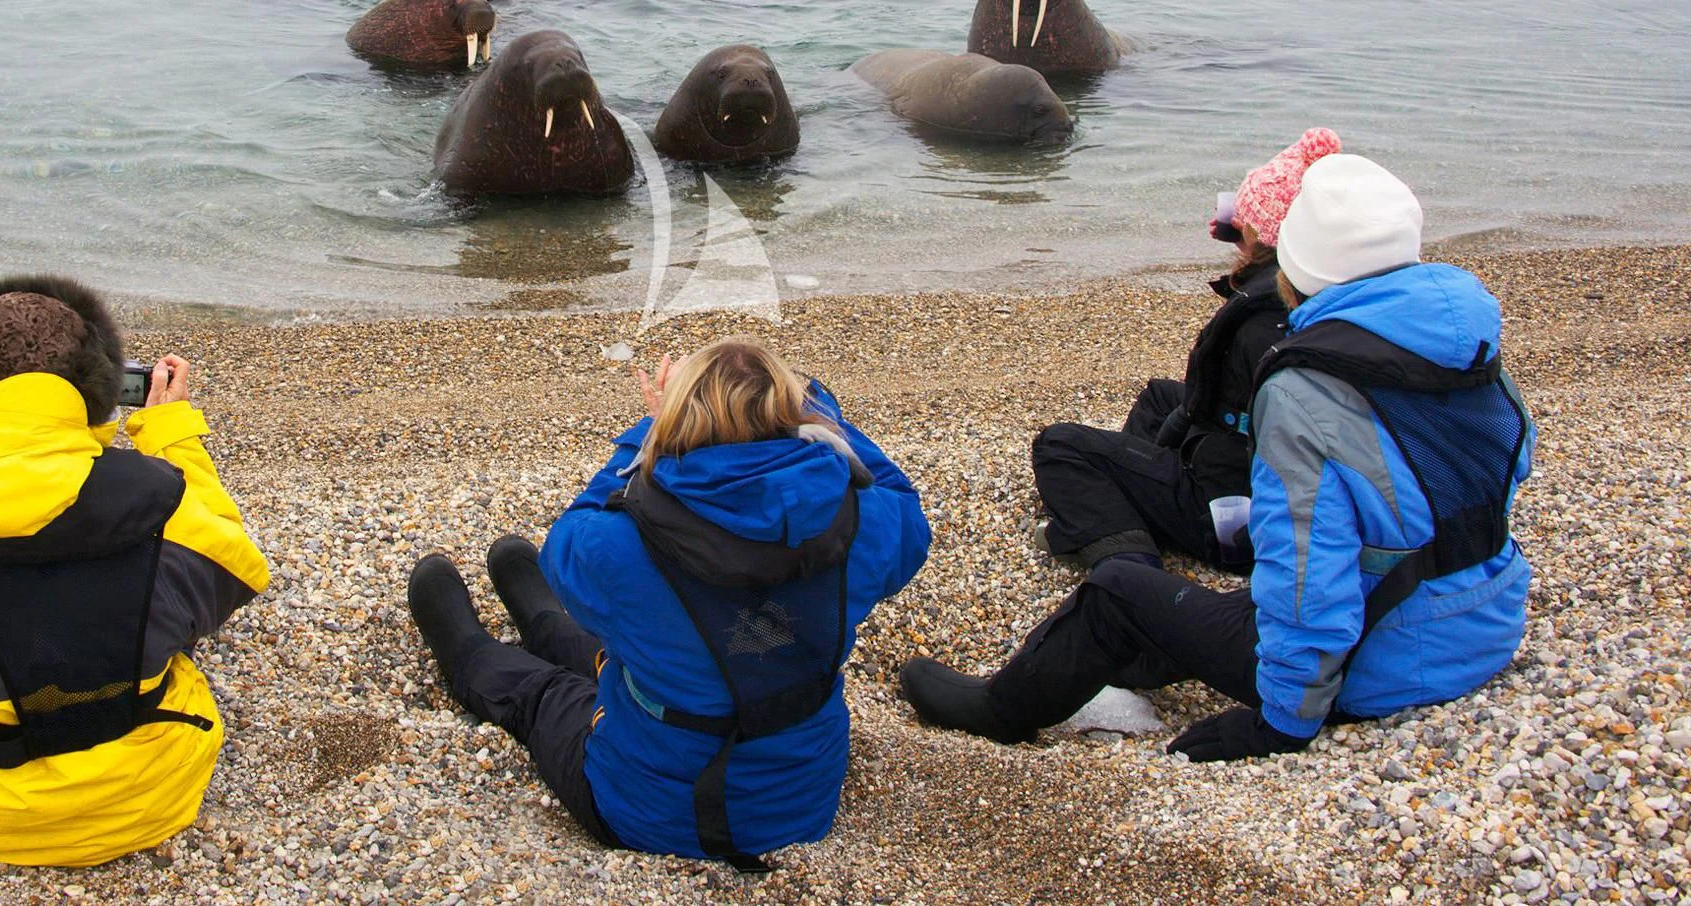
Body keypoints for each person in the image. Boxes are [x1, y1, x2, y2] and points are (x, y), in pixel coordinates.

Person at [901, 155, 1533, 761]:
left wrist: (1284, 720)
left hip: (1383, 662)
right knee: (1188, 595)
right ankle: (1151, 637)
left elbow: (1309, 574)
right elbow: (1497, 475)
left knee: (1118, 590)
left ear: (1293, 260)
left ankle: (1001, 709)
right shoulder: (1467, 345)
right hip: (1488, 624)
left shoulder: (1305, 391)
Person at [407, 337, 930, 867]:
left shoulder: (621, 544)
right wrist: (818, 411)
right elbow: (900, 495)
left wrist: (652, 432)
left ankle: (468, 645)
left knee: (547, 692)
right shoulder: (866, 522)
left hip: (654, 810)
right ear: (789, 417)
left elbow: (568, 538)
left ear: (680, 421)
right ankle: (541, 621)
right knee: (637, 638)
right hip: (802, 803)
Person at [0, 275, 270, 866]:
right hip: (147, 797)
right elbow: (233, 573)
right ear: (99, 388)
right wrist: (170, 433)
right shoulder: (161, 508)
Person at [1031, 128, 1342, 572]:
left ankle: (1122, 549)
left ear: (1264, 233)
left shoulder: (1262, 325)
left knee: (1057, 445)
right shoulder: (1308, 287)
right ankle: (1126, 499)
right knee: (1161, 395)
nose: (1236, 220)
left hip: (1231, 516)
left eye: (1246, 217)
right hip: (1236, 457)